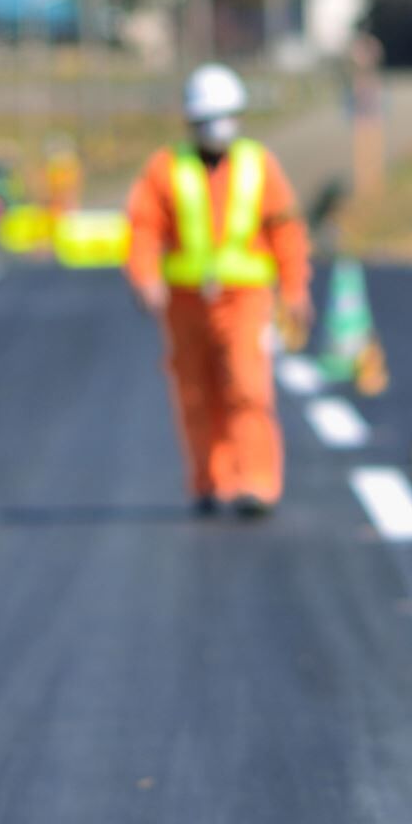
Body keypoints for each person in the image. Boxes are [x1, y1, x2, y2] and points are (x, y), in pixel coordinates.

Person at [126, 63, 312, 517]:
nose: (216, 127)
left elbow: (285, 230)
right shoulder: (166, 167)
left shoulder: (258, 165)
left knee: (247, 387)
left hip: (245, 298)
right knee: (194, 392)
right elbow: (144, 228)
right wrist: (145, 278)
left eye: (223, 116)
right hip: (185, 300)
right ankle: (209, 482)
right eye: (206, 119)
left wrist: (295, 290)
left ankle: (255, 483)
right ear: (191, 122)